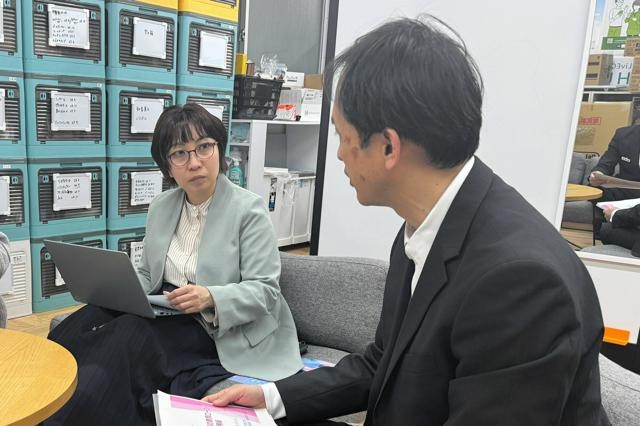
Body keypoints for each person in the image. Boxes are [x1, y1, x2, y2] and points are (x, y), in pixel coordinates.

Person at [204, 16, 609, 425]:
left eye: (343, 137)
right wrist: (270, 398)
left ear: (388, 147)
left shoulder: (519, 282)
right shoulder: (427, 224)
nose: (340, 154)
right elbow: (383, 362)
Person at [46, 104, 303, 426]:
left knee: (130, 334)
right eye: (180, 153)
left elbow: (265, 291)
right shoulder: (162, 206)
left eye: (204, 147)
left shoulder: (249, 210)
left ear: (220, 150)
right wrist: (116, 290)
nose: (194, 162)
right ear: (167, 166)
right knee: (79, 324)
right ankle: (38, 403)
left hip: (214, 322)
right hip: (167, 306)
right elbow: (148, 274)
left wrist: (210, 296)